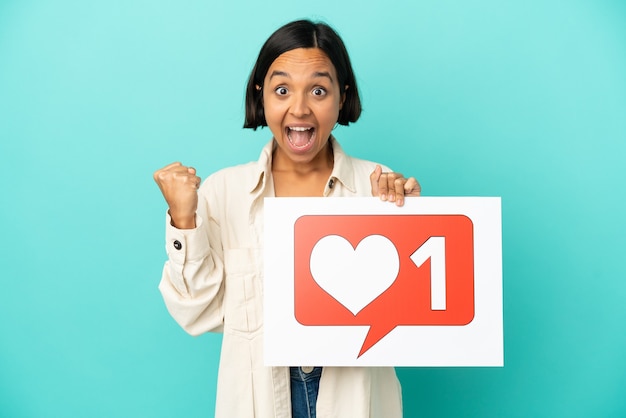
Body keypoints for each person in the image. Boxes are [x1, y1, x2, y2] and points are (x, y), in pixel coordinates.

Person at [154, 19, 420, 418]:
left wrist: (411, 219)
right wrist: (184, 218)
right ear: (261, 96)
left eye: (318, 90)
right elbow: (198, 314)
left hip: (354, 398)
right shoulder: (223, 193)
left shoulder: (376, 186)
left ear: (341, 96)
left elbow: (414, 319)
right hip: (260, 397)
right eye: (282, 90)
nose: (299, 108)